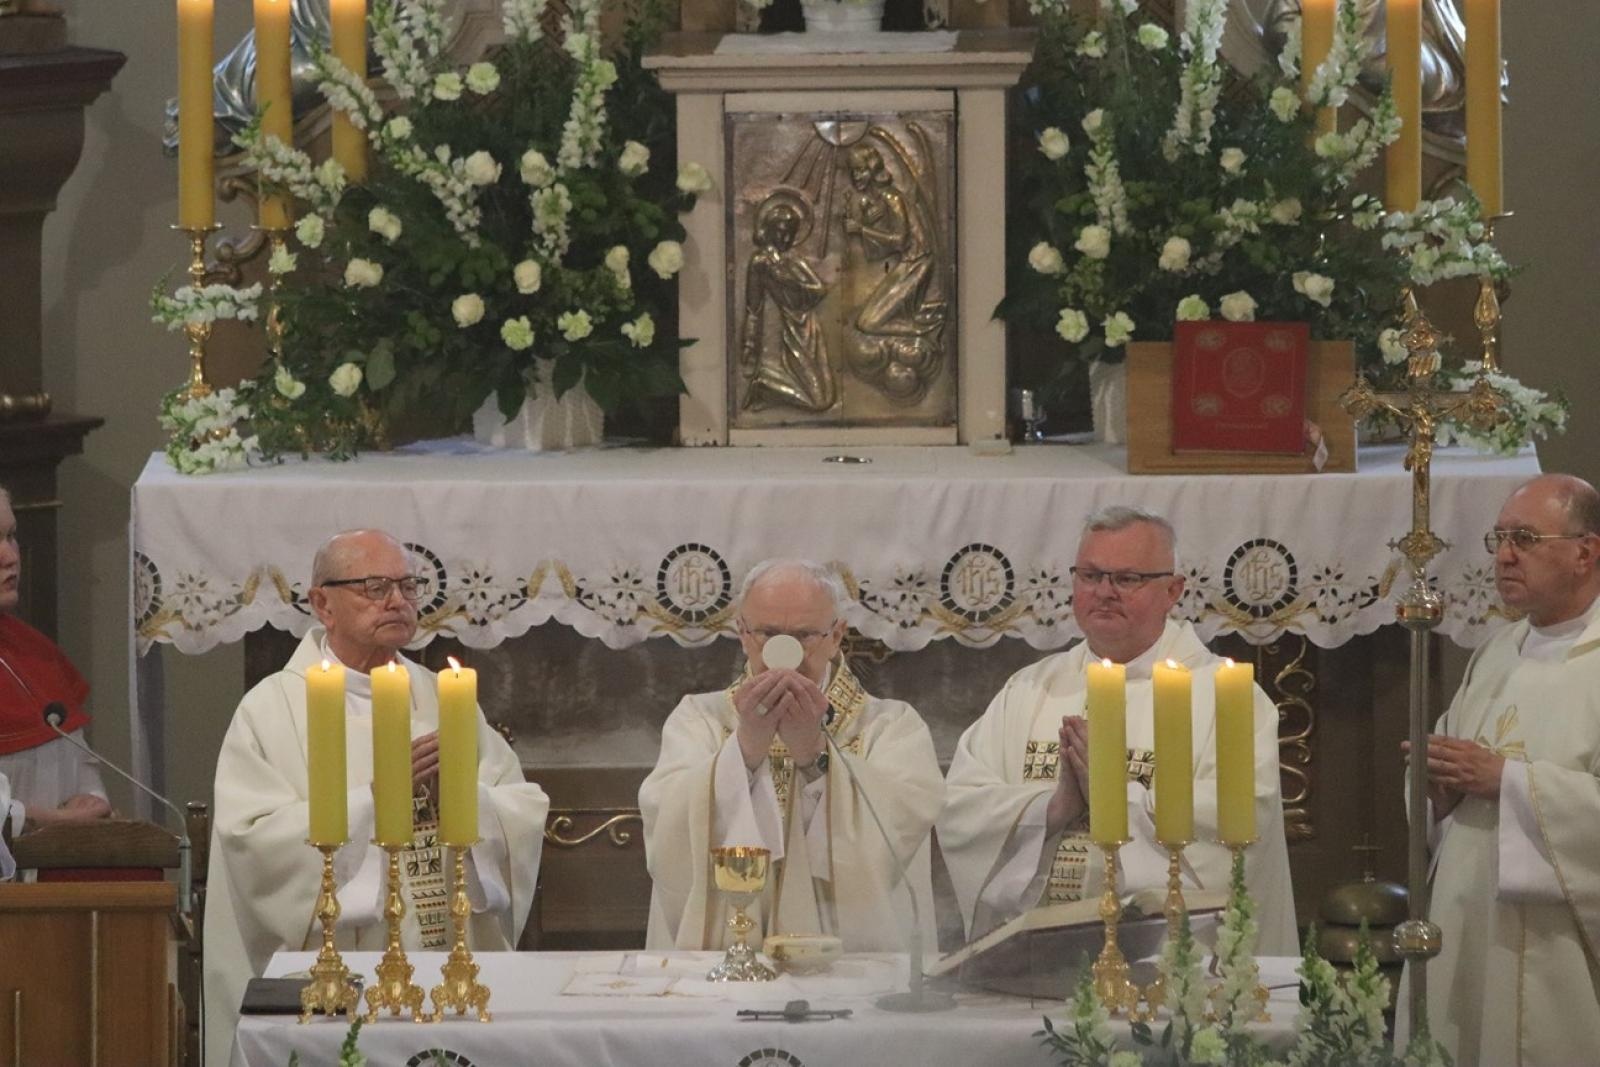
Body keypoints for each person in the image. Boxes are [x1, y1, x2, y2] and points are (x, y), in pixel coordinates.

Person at [204, 530, 548, 1067]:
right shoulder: (271, 710)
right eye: (374, 586)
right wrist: (373, 802)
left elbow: (520, 808)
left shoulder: (444, 696)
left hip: (444, 971)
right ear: (322, 603)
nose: (397, 601)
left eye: (408, 587)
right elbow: (251, 842)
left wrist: (461, 798)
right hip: (334, 980)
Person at [939, 505, 1297, 954]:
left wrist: (1114, 795)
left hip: (1171, 967)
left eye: (1127, 579)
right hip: (1033, 963)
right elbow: (960, 807)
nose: (1104, 592)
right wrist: (1051, 808)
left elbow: (1243, 819)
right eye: (1090, 576)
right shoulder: (1030, 690)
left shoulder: (1226, 697)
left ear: (1173, 590)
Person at [1397, 473, 1600, 1067]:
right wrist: (1436, 790)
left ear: (1586, 551)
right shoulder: (1496, 651)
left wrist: (1505, 781)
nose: (1505, 555)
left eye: (1527, 538)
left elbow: (1494, 773)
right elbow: (1454, 775)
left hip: (1553, 951)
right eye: (1501, 537)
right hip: (1465, 921)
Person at [639, 559, 944, 951]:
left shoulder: (891, 727)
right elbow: (667, 827)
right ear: (742, 633)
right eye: (768, 633)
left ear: (837, 636)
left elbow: (899, 834)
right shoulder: (699, 720)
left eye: (804, 635)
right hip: (726, 967)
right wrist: (745, 750)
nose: (786, 653)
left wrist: (815, 756)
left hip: (850, 966)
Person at [0, 485, 111, 869]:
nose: (10, 557)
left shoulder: (36, 652)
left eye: (11, 536)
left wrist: (91, 801)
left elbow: (82, 763)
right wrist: (60, 822)